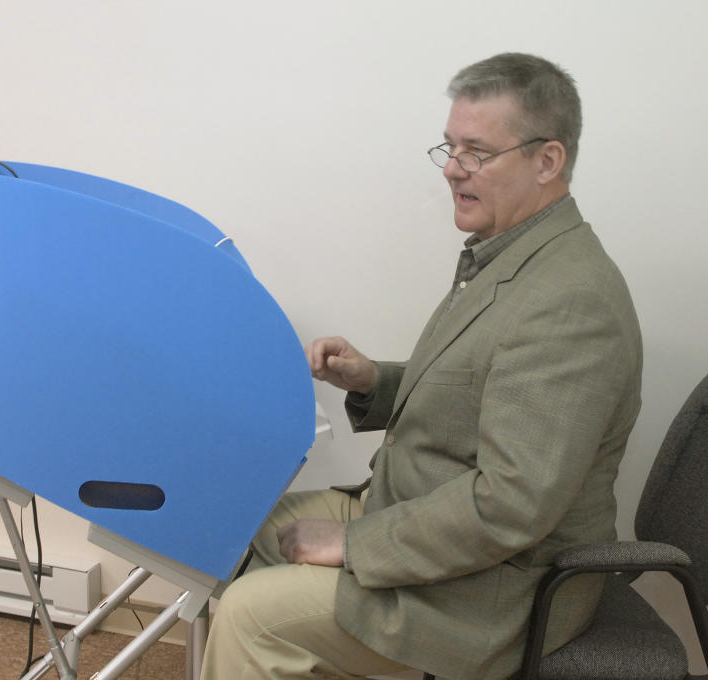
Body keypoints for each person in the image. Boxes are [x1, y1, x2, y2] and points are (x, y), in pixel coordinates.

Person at [201, 52, 643, 680]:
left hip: (497, 591)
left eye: (476, 153)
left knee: (253, 615)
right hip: (411, 510)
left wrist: (352, 545)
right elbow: (486, 393)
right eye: (449, 149)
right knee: (229, 532)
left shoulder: (571, 302)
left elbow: (511, 505)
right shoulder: (511, 254)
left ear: (547, 161)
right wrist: (373, 381)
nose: (453, 171)